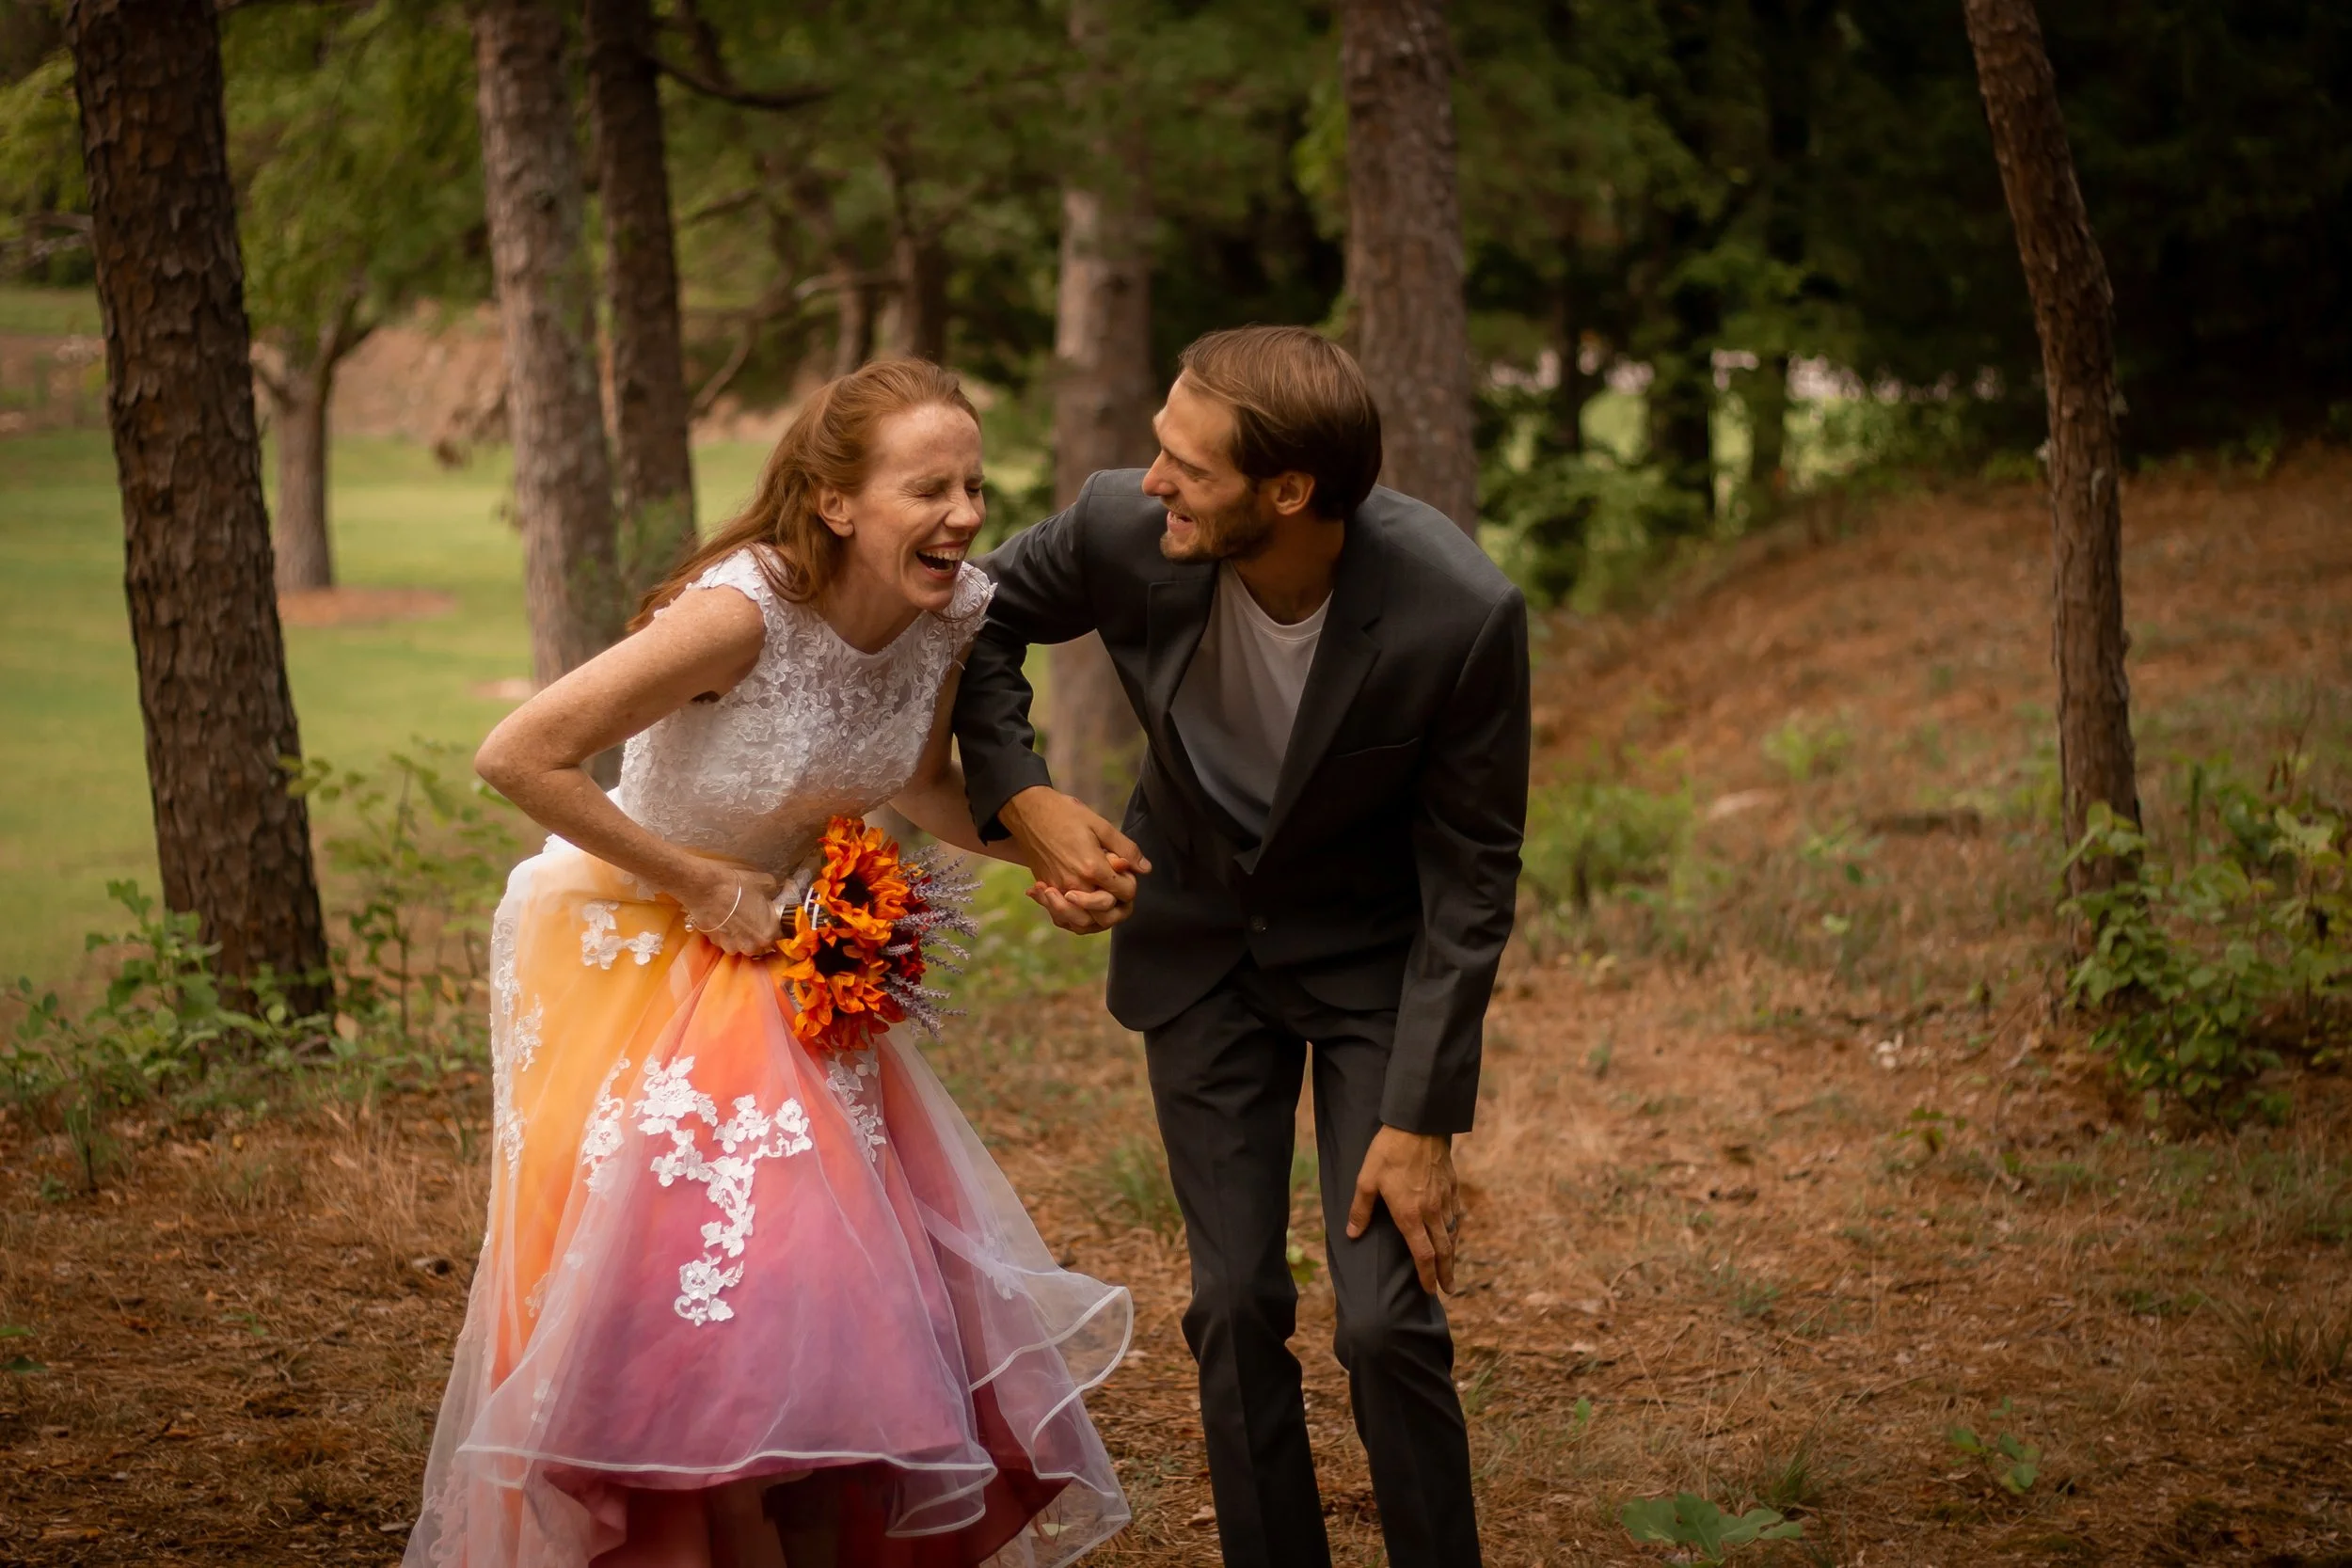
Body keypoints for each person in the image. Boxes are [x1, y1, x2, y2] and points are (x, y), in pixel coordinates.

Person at [405, 358, 1131, 1568]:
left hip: (782, 956)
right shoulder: (738, 613)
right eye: (926, 486)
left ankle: (795, 1526)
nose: (962, 512)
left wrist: (1040, 853)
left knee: (811, 1281)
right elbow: (519, 753)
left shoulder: (951, 612)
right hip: (628, 942)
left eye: (971, 483)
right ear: (838, 502)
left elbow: (920, 778)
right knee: (692, 1283)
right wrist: (696, 880)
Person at [952, 325, 1530, 1568]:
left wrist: (1424, 1114)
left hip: (1375, 966)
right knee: (1232, 1302)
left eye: (1186, 465)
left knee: (1383, 1321)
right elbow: (971, 621)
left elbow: (1472, 877)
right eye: (1158, 450)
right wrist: (1025, 797)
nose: (1151, 479)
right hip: (1200, 948)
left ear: (1287, 491)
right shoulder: (1123, 527)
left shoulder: (1461, 615)